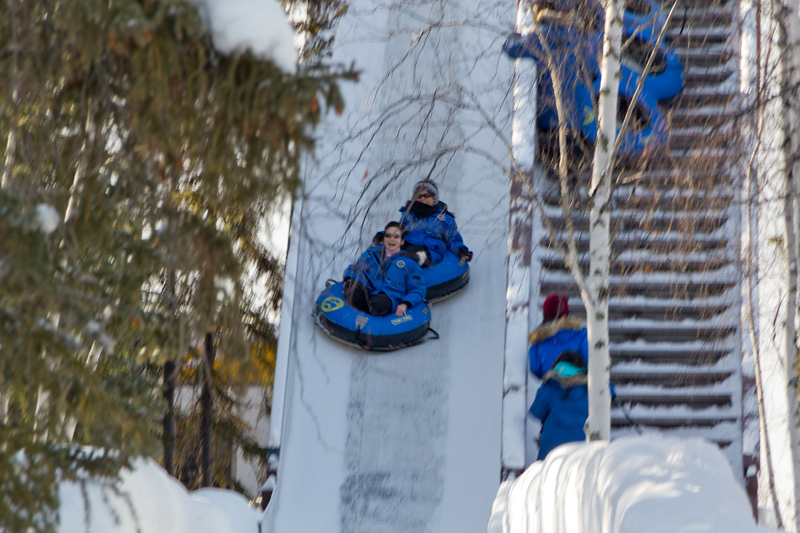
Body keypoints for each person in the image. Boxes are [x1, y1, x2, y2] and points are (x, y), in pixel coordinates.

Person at [343, 221, 426, 317]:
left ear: (402, 241)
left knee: (379, 304)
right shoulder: (372, 253)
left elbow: (418, 289)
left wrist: (405, 304)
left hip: (388, 298)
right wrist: (348, 278)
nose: (392, 239)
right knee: (351, 288)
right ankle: (354, 316)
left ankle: (371, 321)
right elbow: (356, 267)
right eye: (388, 235)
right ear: (384, 238)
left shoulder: (410, 263)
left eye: (396, 236)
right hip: (367, 290)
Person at [394, 180, 472, 267]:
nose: (422, 198)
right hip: (407, 248)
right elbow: (396, 232)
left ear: (434, 198)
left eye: (426, 195)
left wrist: (461, 250)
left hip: (430, 252)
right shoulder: (407, 215)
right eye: (419, 196)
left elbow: (453, 239)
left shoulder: (444, 219)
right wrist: (383, 235)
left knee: (414, 254)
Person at [529, 351, 589, 461]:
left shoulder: (549, 388)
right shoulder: (589, 392)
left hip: (551, 448)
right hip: (581, 448)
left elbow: (536, 413)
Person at [528, 292, 589, 379]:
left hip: (551, 387)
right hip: (578, 386)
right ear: (566, 313)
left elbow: (535, 369)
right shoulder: (582, 335)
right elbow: (589, 362)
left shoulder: (538, 338)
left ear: (545, 312)